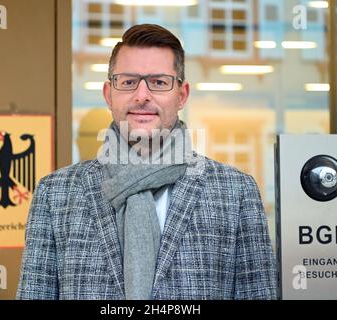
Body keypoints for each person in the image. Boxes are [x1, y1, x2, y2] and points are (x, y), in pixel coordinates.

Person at [17, 24, 277, 300]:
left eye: (159, 82)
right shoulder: (55, 193)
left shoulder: (235, 192)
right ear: (108, 94)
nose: (142, 96)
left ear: (182, 95)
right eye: (128, 82)